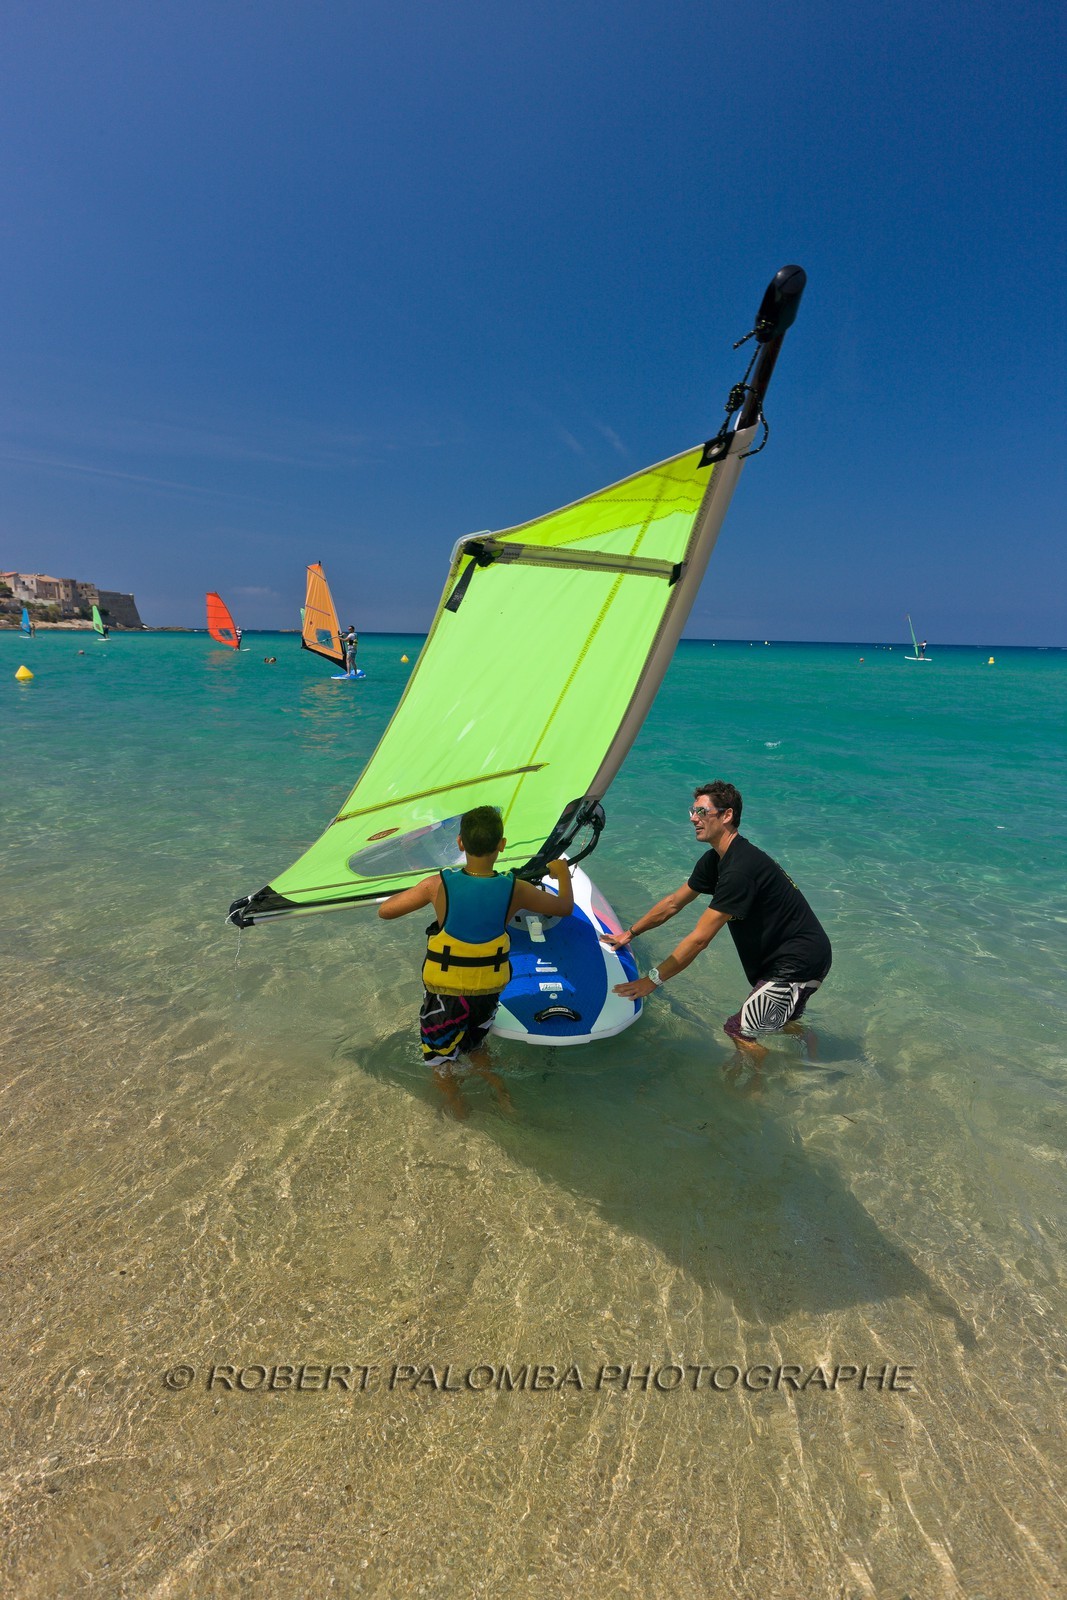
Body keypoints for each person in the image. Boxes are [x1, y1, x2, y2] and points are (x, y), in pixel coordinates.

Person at [611, 781, 831, 1062]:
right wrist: (629, 934)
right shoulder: (715, 861)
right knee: (778, 1020)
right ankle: (807, 1047)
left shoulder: (739, 870)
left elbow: (700, 939)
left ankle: (757, 1095)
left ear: (726, 815)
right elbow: (673, 903)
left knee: (739, 1031)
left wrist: (651, 981)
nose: (693, 818)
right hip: (794, 957)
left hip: (797, 963)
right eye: (692, 811)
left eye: (701, 811)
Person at [378, 804, 575, 1116]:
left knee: (441, 1059)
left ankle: (458, 1107)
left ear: (459, 843)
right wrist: (562, 874)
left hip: (446, 996)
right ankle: (500, 1092)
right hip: (486, 992)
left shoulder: (437, 885)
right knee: (477, 1046)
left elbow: (385, 911)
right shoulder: (516, 889)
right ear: (501, 845)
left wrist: (424, 890)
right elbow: (563, 907)